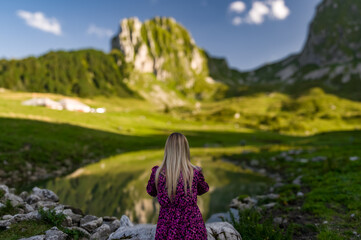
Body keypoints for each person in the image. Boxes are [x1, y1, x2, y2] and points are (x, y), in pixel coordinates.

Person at [146, 132, 209, 239]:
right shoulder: (194, 172)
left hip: (167, 226)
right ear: (185, 149)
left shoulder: (158, 173)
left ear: (167, 150)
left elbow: (150, 191)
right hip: (192, 224)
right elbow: (204, 189)